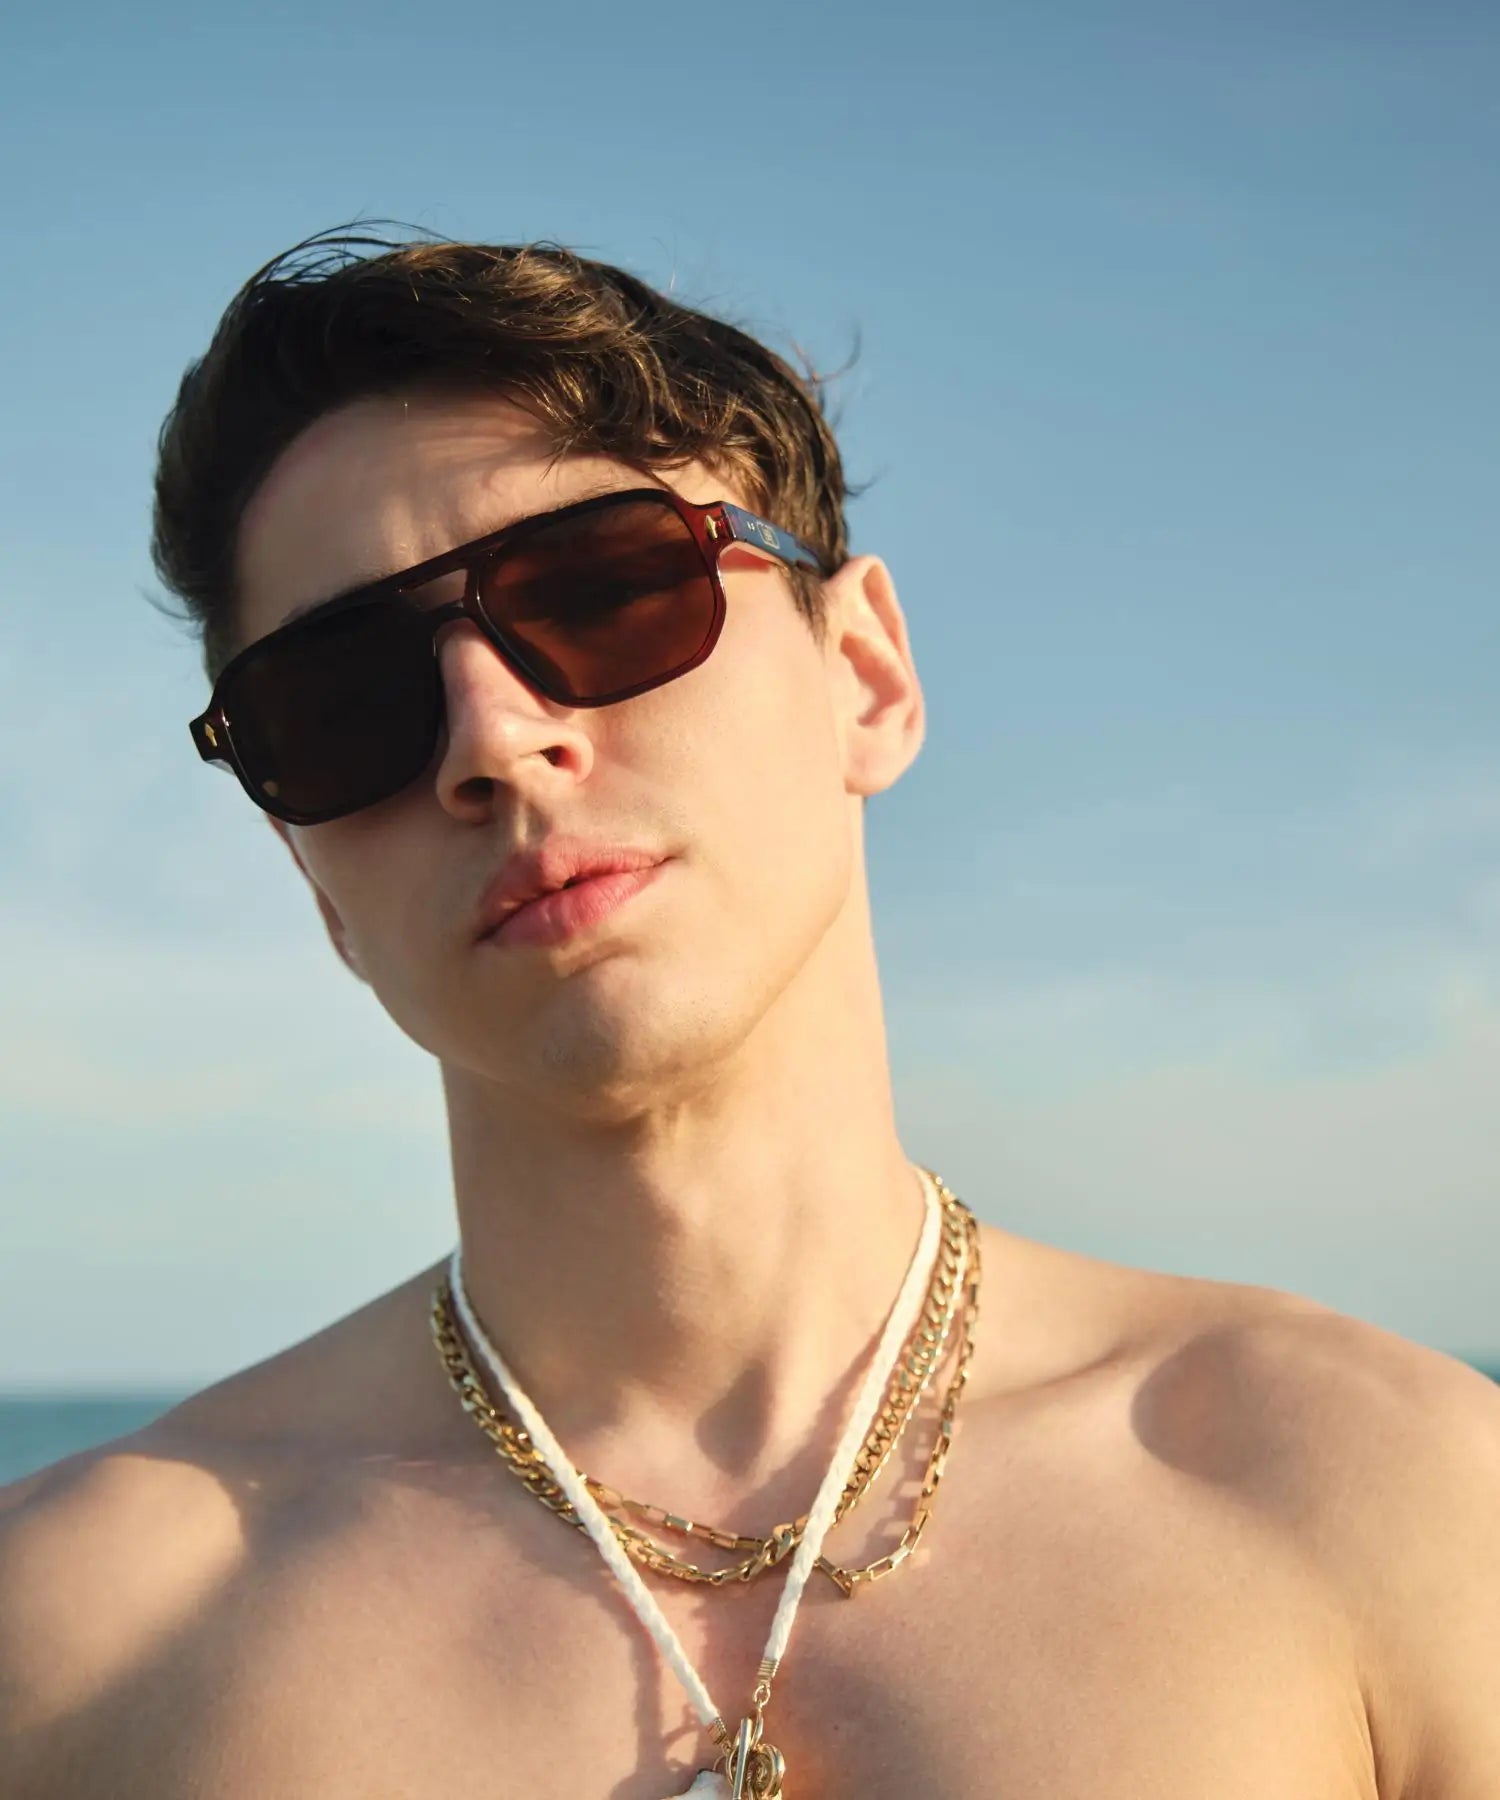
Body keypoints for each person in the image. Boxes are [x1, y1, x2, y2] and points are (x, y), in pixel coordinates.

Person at [1, 228, 1496, 1800]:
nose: (492, 739)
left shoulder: (1379, 1501)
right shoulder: (76, 1642)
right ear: (311, 881)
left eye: (604, 588)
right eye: (340, 702)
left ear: (866, 677)